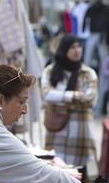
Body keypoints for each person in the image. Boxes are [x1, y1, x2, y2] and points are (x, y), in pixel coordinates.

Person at [42, 35, 98, 168]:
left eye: (79, 46)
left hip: (80, 130)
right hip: (57, 130)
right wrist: (74, 95)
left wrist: (59, 98)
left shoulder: (88, 73)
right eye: (72, 47)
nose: (77, 50)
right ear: (64, 49)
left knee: (82, 172)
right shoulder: (51, 71)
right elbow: (47, 94)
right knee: (56, 168)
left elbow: (90, 98)